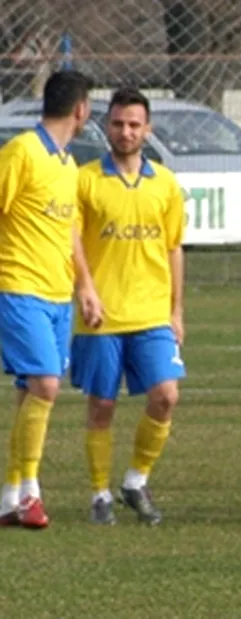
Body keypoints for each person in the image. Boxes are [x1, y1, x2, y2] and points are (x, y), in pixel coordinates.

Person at [71, 88, 186, 526]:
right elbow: (72, 240)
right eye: (118, 123)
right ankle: (100, 492)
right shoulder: (86, 180)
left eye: (134, 124)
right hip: (102, 314)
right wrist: (85, 288)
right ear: (107, 126)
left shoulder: (165, 184)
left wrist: (177, 311)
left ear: (148, 129)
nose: (125, 131)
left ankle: (136, 480)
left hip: (152, 312)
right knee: (102, 405)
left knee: (166, 395)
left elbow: (174, 248)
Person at [0, 70, 99, 529]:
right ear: (81, 109)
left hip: (58, 294)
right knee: (46, 385)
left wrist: (85, 286)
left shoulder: (66, 165)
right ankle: (30, 495)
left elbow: (70, 230)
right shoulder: (22, 152)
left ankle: (9, 497)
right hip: (18, 286)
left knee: (30, 394)